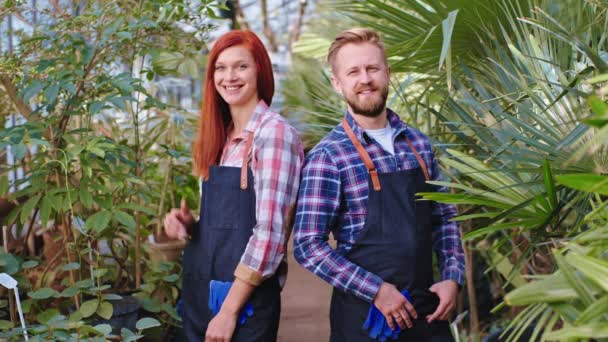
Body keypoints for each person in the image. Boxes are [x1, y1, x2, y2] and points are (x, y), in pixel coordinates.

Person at [293, 28, 465, 341]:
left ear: (388, 72)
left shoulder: (419, 145)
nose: (365, 79)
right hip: (365, 319)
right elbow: (307, 246)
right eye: (353, 71)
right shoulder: (328, 156)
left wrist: (452, 277)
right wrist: (376, 290)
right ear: (337, 82)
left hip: (427, 311)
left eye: (372, 68)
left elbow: (445, 219)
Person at [164, 30, 304, 342]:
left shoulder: (275, 135)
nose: (229, 77)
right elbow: (226, 225)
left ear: (260, 71)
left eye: (241, 66)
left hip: (243, 306)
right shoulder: (222, 139)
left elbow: (270, 235)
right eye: (221, 67)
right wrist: (191, 226)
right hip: (202, 295)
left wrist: (228, 311)